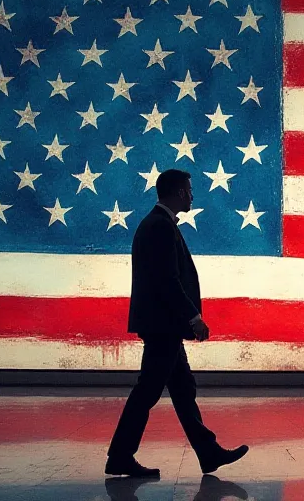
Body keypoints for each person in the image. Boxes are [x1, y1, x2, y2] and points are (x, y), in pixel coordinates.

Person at [106, 169, 248, 478]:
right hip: (164, 325)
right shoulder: (160, 226)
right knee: (148, 392)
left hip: (163, 325)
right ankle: (119, 455)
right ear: (180, 193)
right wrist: (193, 318)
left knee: (183, 390)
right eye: (189, 190)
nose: (193, 196)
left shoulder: (158, 224)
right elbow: (167, 280)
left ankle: (208, 453)